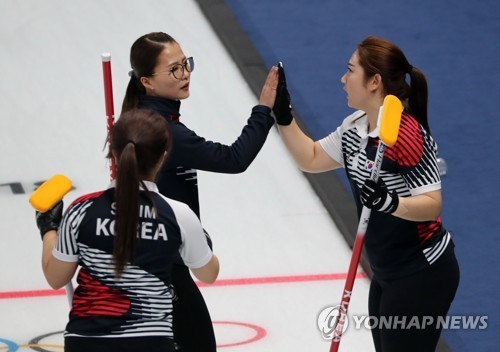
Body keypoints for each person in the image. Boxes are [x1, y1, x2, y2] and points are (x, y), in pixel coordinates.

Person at [273, 36, 460, 352]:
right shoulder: (355, 128)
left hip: (422, 272)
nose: (343, 80)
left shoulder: (408, 135)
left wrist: (390, 202)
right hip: (386, 271)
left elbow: (431, 205)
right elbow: (313, 158)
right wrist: (283, 114)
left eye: (350, 71)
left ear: (374, 82)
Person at [121, 32, 278, 351]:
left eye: (185, 64)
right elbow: (234, 159)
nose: (185, 74)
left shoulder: (140, 117)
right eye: (174, 69)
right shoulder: (164, 131)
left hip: (150, 263)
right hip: (164, 269)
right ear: (148, 81)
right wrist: (264, 110)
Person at [35, 109, 220, 352]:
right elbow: (208, 274)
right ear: (163, 157)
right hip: (150, 343)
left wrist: (49, 228)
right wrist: (200, 241)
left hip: (85, 342)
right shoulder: (178, 214)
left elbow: (56, 277)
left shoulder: (81, 209)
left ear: (113, 153)